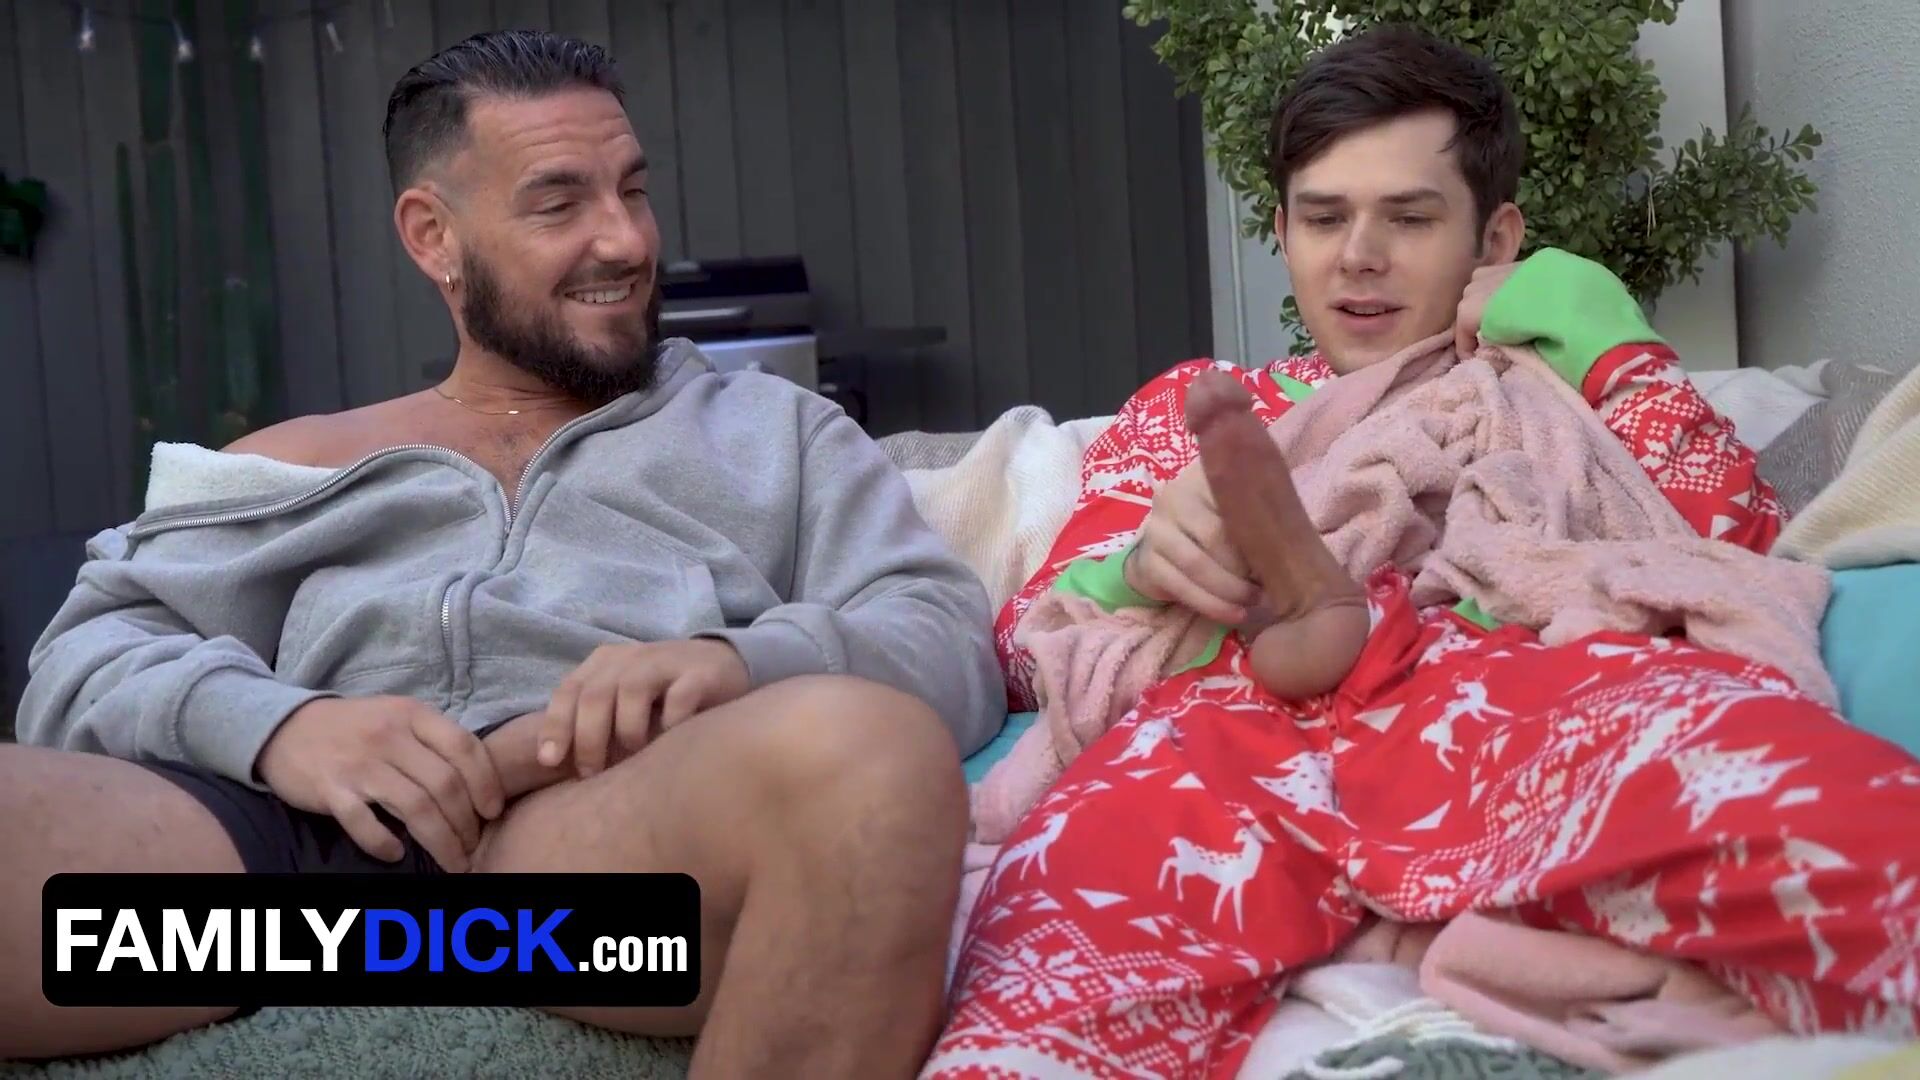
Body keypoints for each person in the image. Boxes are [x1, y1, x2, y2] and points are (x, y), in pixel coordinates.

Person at [0, 30, 1006, 1077]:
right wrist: (282, 727)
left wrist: (739, 665)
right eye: (559, 204)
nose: (625, 240)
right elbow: (82, 661)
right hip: (270, 894)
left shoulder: (772, 433)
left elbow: (940, 634)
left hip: (569, 898)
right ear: (433, 235)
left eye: (633, 191)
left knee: (867, 760)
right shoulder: (293, 459)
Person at [925, 24, 1920, 1078]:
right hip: (1218, 738)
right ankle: (1311, 628)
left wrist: (1609, 338)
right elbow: (1026, 652)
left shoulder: (1552, 386)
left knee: (1867, 848)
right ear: (1284, 231)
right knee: (1022, 1015)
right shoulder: (1200, 409)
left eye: (1409, 217)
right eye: (1324, 218)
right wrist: (1135, 567)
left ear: (1495, 242)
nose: (1359, 253)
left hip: (1514, 704)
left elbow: (1735, 547)